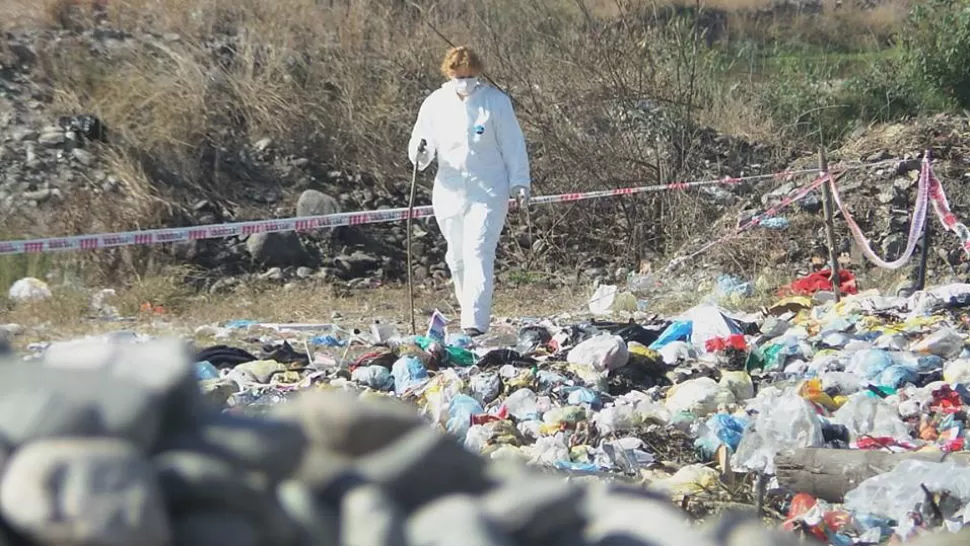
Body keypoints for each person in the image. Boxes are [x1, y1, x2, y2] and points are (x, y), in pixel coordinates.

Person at [408, 45, 531, 337]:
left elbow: (513, 144)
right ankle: (468, 309)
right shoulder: (435, 103)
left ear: (478, 73)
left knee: (479, 249)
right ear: (449, 73)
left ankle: (475, 321)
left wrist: (520, 181)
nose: (464, 81)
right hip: (449, 190)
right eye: (459, 75)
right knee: (457, 255)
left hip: (488, 188)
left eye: (469, 75)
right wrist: (419, 153)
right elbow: (421, 144)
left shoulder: (496, 103)